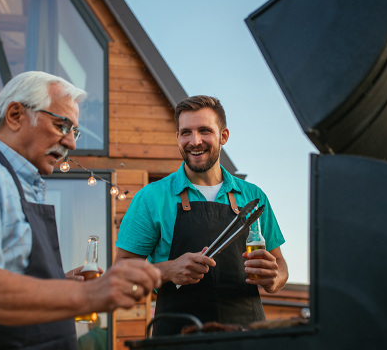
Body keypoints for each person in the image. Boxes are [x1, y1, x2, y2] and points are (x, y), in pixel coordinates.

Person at [0, 71, 162, 350]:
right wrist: (89, 294)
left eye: (74, 131)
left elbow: (5, 274)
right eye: (61, 125)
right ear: (16, 115)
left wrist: (58, 284)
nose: (71, 143)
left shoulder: (23, 186)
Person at [115, 95, 288, 336]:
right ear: (177, 137)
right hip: (177, 338)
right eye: (186, 132)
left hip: (246, 338)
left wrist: (273, 278)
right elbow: (121, 273)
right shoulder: (150, 198)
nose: (195, 141)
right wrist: (167, 270)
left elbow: (280, 266)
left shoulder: (253, 196)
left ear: (223, 136)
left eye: (204, 131)